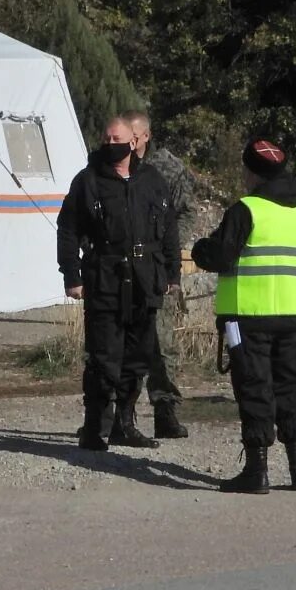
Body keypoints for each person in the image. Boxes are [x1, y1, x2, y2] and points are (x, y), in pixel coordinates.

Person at [191, 137, 296, 495]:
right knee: (289, 388)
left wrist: (200, 249)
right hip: (292, 316)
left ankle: (256, 472)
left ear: (252, 173)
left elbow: (220, 256)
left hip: (246, 317)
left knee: (254, 389)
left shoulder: (245, 210)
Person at [55, 117, 180, 452]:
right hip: (105, 279)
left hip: (145, 281)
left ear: (135, 140)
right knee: (102, 357)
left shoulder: (151, 179)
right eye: (107, 137)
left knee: (137, 358)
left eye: (119, 138)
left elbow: (168, 229)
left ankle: (125, 423)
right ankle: (94, 427)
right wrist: (72, 275)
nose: (113, 143)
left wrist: (171, 274)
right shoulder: (87, 181)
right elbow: (67, 229)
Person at [126, 112, 191, 439]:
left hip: (158, 271)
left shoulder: (168, 169)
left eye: (134, 135)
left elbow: (182, 216)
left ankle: (165, 412)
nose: (129, 141)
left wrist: (171, 264)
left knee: (163, 345)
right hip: (124, 274)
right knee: (120, 345)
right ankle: (119, 415)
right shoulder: (112, 169)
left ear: (146, 136)